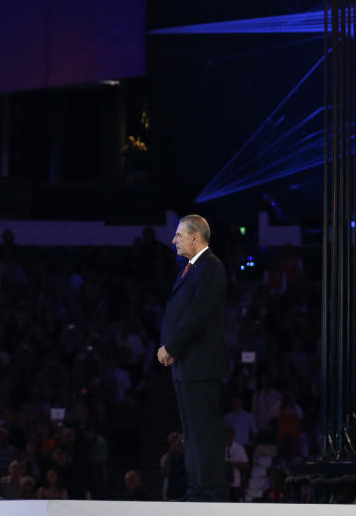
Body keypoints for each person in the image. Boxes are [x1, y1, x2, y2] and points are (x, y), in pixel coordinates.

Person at [157, 214, 229, 501]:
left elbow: (197, 315)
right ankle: (197, 488)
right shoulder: (191, 268)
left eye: (178, 235)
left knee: (203, 431)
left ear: (195, 237)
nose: (174, 240)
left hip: (201, 363)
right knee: (191, 432)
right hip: (188, 364)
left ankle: (209, 491)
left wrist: (171, 346)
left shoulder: (210, 267)